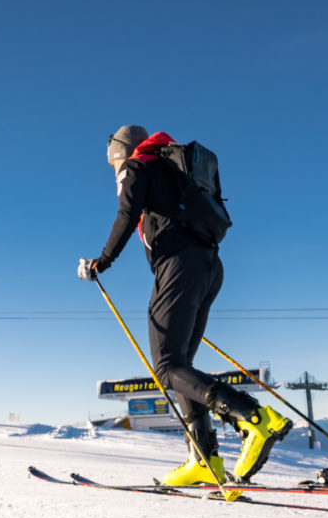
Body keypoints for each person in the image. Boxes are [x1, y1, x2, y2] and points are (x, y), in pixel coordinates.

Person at [79, 125, 291, 488]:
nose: (114, 172)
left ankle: (254, 418)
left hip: (180, 267)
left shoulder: (137, 165)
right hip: (208, 266)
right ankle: (203, 460)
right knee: (181, 367)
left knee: (166, 367)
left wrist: (102, 261)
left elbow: (127, 214)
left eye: (112, 164)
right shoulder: (172, 168)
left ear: (120, 153)